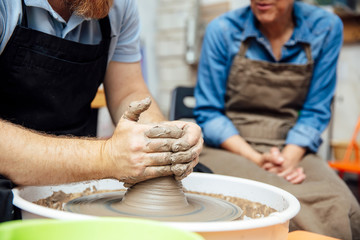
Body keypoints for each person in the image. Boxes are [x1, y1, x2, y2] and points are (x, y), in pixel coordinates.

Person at [0, 0, 203, 222]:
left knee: (198, 175)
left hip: (80, 160)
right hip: (12, 162)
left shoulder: (118, 6)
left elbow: (128, 90)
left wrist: (161, 143)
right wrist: (106, 157)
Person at [194, 0, 360, 239]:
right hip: (230, 144)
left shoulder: (326, 27)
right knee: (280, 200)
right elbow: (209, 113)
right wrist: (255, 158)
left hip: (291, 144)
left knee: (339, 203)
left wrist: (288, 158)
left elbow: (316, 110)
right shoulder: (222, 30)